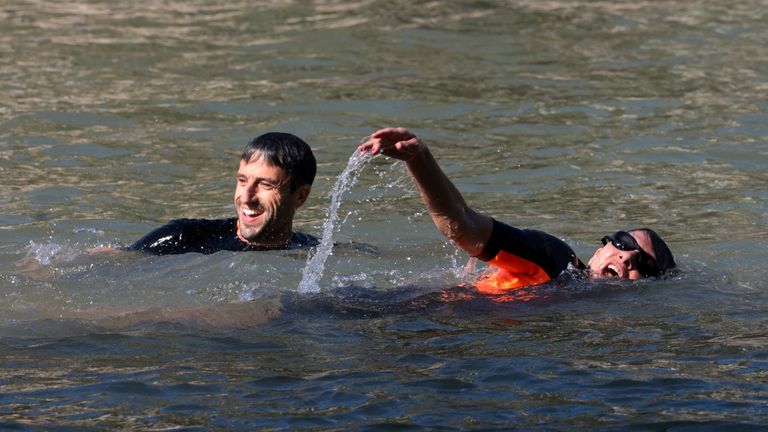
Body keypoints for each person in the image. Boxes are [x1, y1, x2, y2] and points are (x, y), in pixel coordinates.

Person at [358, 127, 675, 295]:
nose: (627, 257)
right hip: (400, 317)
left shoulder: (573, 300)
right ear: (597, 252)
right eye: (623, 242)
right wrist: (420, 160)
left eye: (644, 265)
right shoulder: (555, 260)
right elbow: (461, 224)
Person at [128, 132, 319, 255]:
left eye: (265, 185)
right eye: (242, 181)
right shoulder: (183, 237)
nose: (246, 197)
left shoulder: (312, 252)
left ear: (300, 196)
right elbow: (117, 260)